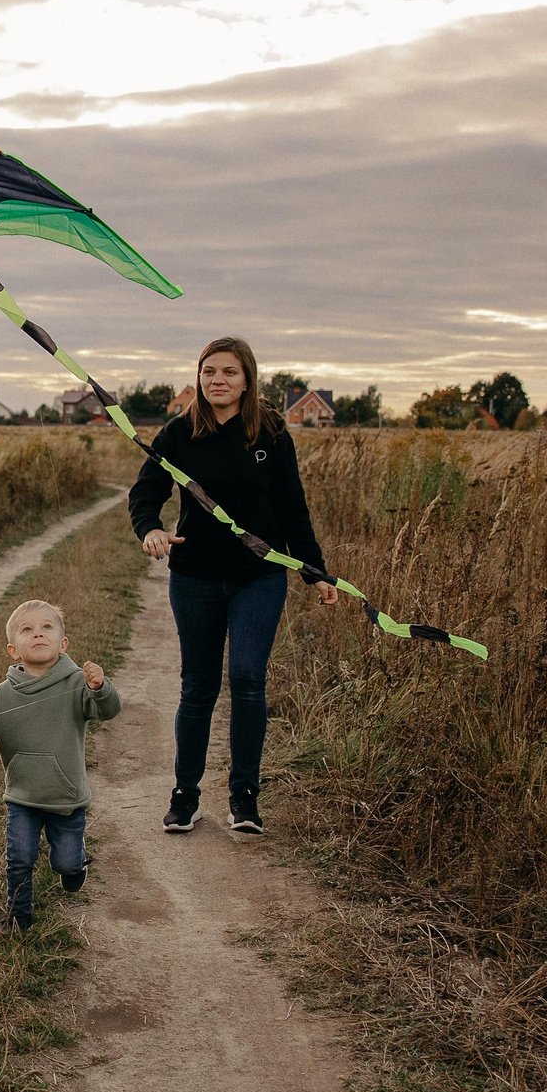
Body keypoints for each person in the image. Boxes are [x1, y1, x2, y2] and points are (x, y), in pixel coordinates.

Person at [127, 336, 338, 837]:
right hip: (195, 577)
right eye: (208, 372)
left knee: (247, 678)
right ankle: (185, 795)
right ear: (198, 378)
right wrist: (150, 528)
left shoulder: (270, 434)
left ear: (248, 378)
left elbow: (293, 509)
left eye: (228, 372)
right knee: (198, 686)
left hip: (259, 579)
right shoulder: (179, 434)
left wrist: (317, 571)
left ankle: (245, 796)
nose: (217, 380)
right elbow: (146, 490)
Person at [0, 598, 120, 932]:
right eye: (27, 630)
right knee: (19, 858)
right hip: (22, 796)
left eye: (47, 627)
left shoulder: (77, 683)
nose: (38, 634)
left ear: (63, 644)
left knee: (65, 862)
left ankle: (75, 865)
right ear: (13, 649)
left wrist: (100, 688)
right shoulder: (2, 694)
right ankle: (18, 916)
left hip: (66, 797)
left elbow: (107, 710)